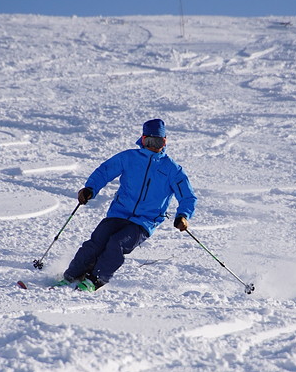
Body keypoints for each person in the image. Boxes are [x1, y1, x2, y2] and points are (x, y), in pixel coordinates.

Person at [60, 119, 197, 291]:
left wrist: (183, 215)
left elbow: (188, 196)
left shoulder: (172, 169)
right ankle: (71, 276)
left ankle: (95, 280)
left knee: (116, 243)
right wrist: (90, 188)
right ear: (143, 139)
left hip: (145, 221)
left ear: (165, 142)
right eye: (149, 141)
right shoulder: (129, 158)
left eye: (158, 142)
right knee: (97, 241)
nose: (153, 146)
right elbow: (104, 171)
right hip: (119, 212)